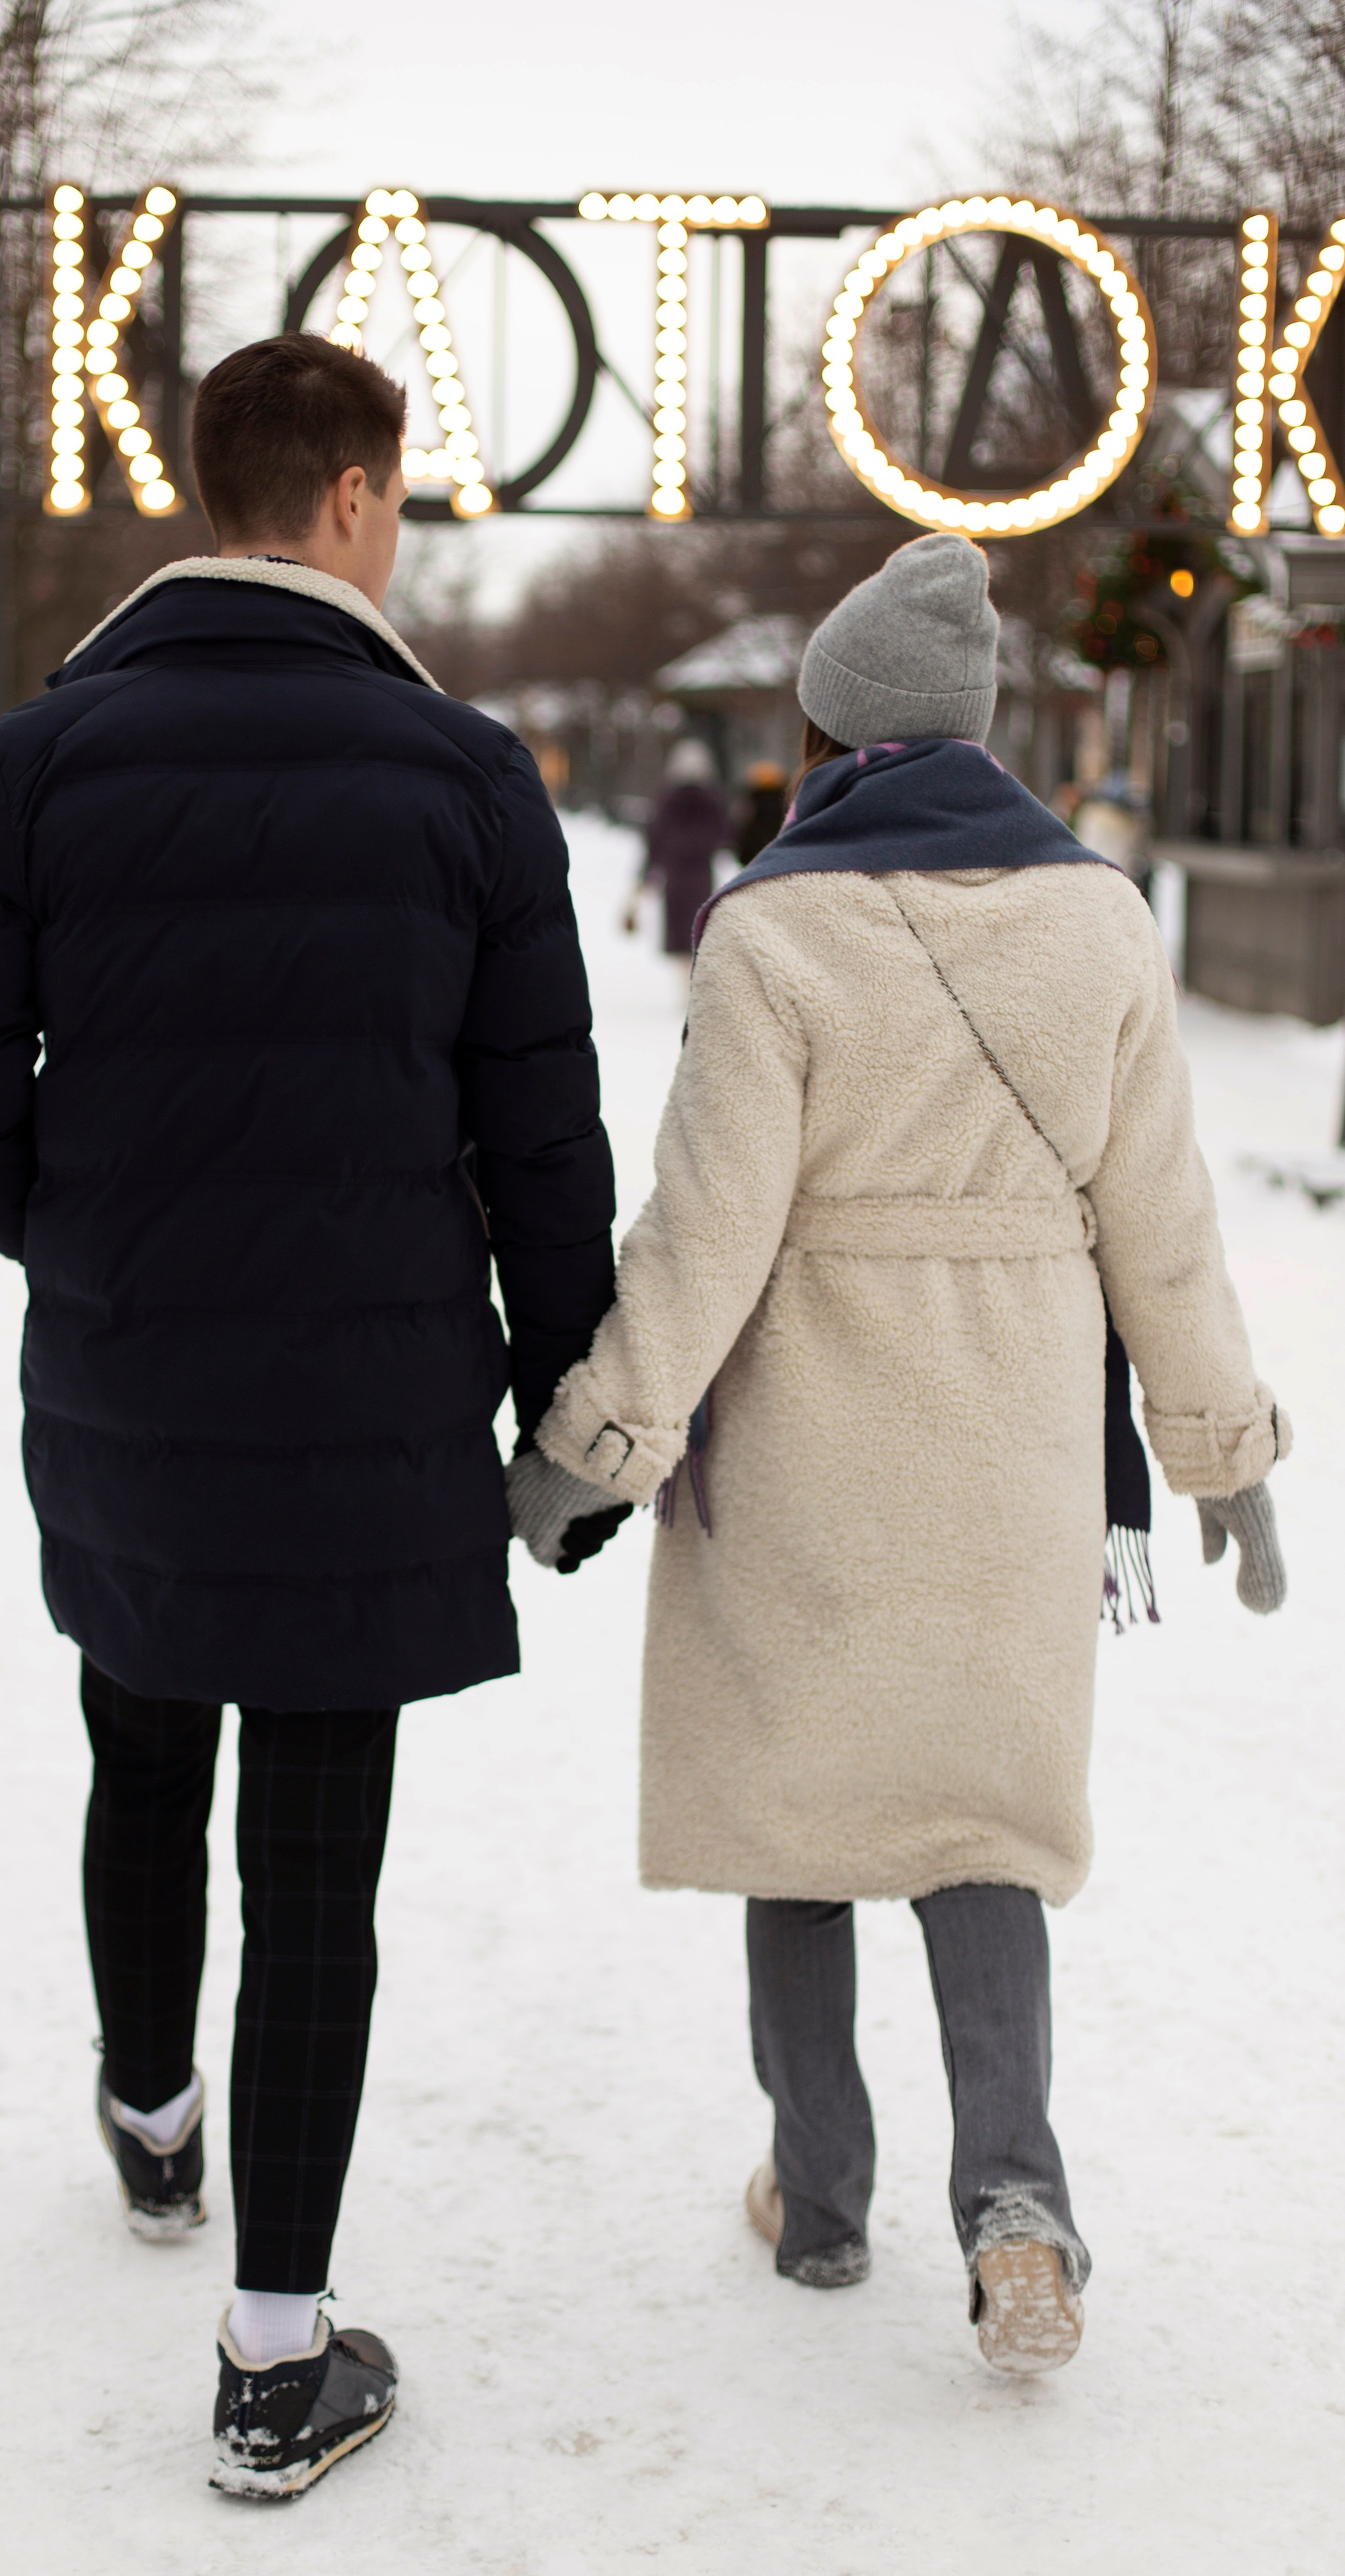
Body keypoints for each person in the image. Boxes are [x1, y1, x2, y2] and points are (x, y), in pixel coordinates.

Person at [0, 333, 625, 2498]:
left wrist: (97, 1245)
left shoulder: (38, 761)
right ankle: (277, 2354)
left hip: (133, 1369)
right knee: (318, 1862)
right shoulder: (471, 778)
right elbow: (546, 1142)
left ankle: (149, 2122)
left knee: (138, 1731)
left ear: (206, 490)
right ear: (362, 499)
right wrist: (571, 1401)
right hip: (380, 1389)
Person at [510, 533, 1291, 2375]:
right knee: (980, 1822)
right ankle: (1018, 2207)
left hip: (809, 1452)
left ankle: (823, 2196)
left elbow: (706, 1240)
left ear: (833, 723)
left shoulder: (778, 929)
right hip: (1016, 1457)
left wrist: (589, 1452)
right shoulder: (1101, 920)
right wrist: (1220, 1458)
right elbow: (1160, 1225)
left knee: (798, 1816)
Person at [630, 739, 729, 961]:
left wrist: (645, 877)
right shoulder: (713, 799)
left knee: (681, 943)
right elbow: (725, 835)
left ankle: (685, 988)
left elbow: (655, 839)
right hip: (701, 876)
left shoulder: (668, 799)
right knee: (700, 936)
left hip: (676, 877)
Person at [733, 759, 788, 867]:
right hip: (779, 856)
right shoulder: (786, 803)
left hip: (754, 859)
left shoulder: (749, 803)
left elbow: (742, 829)